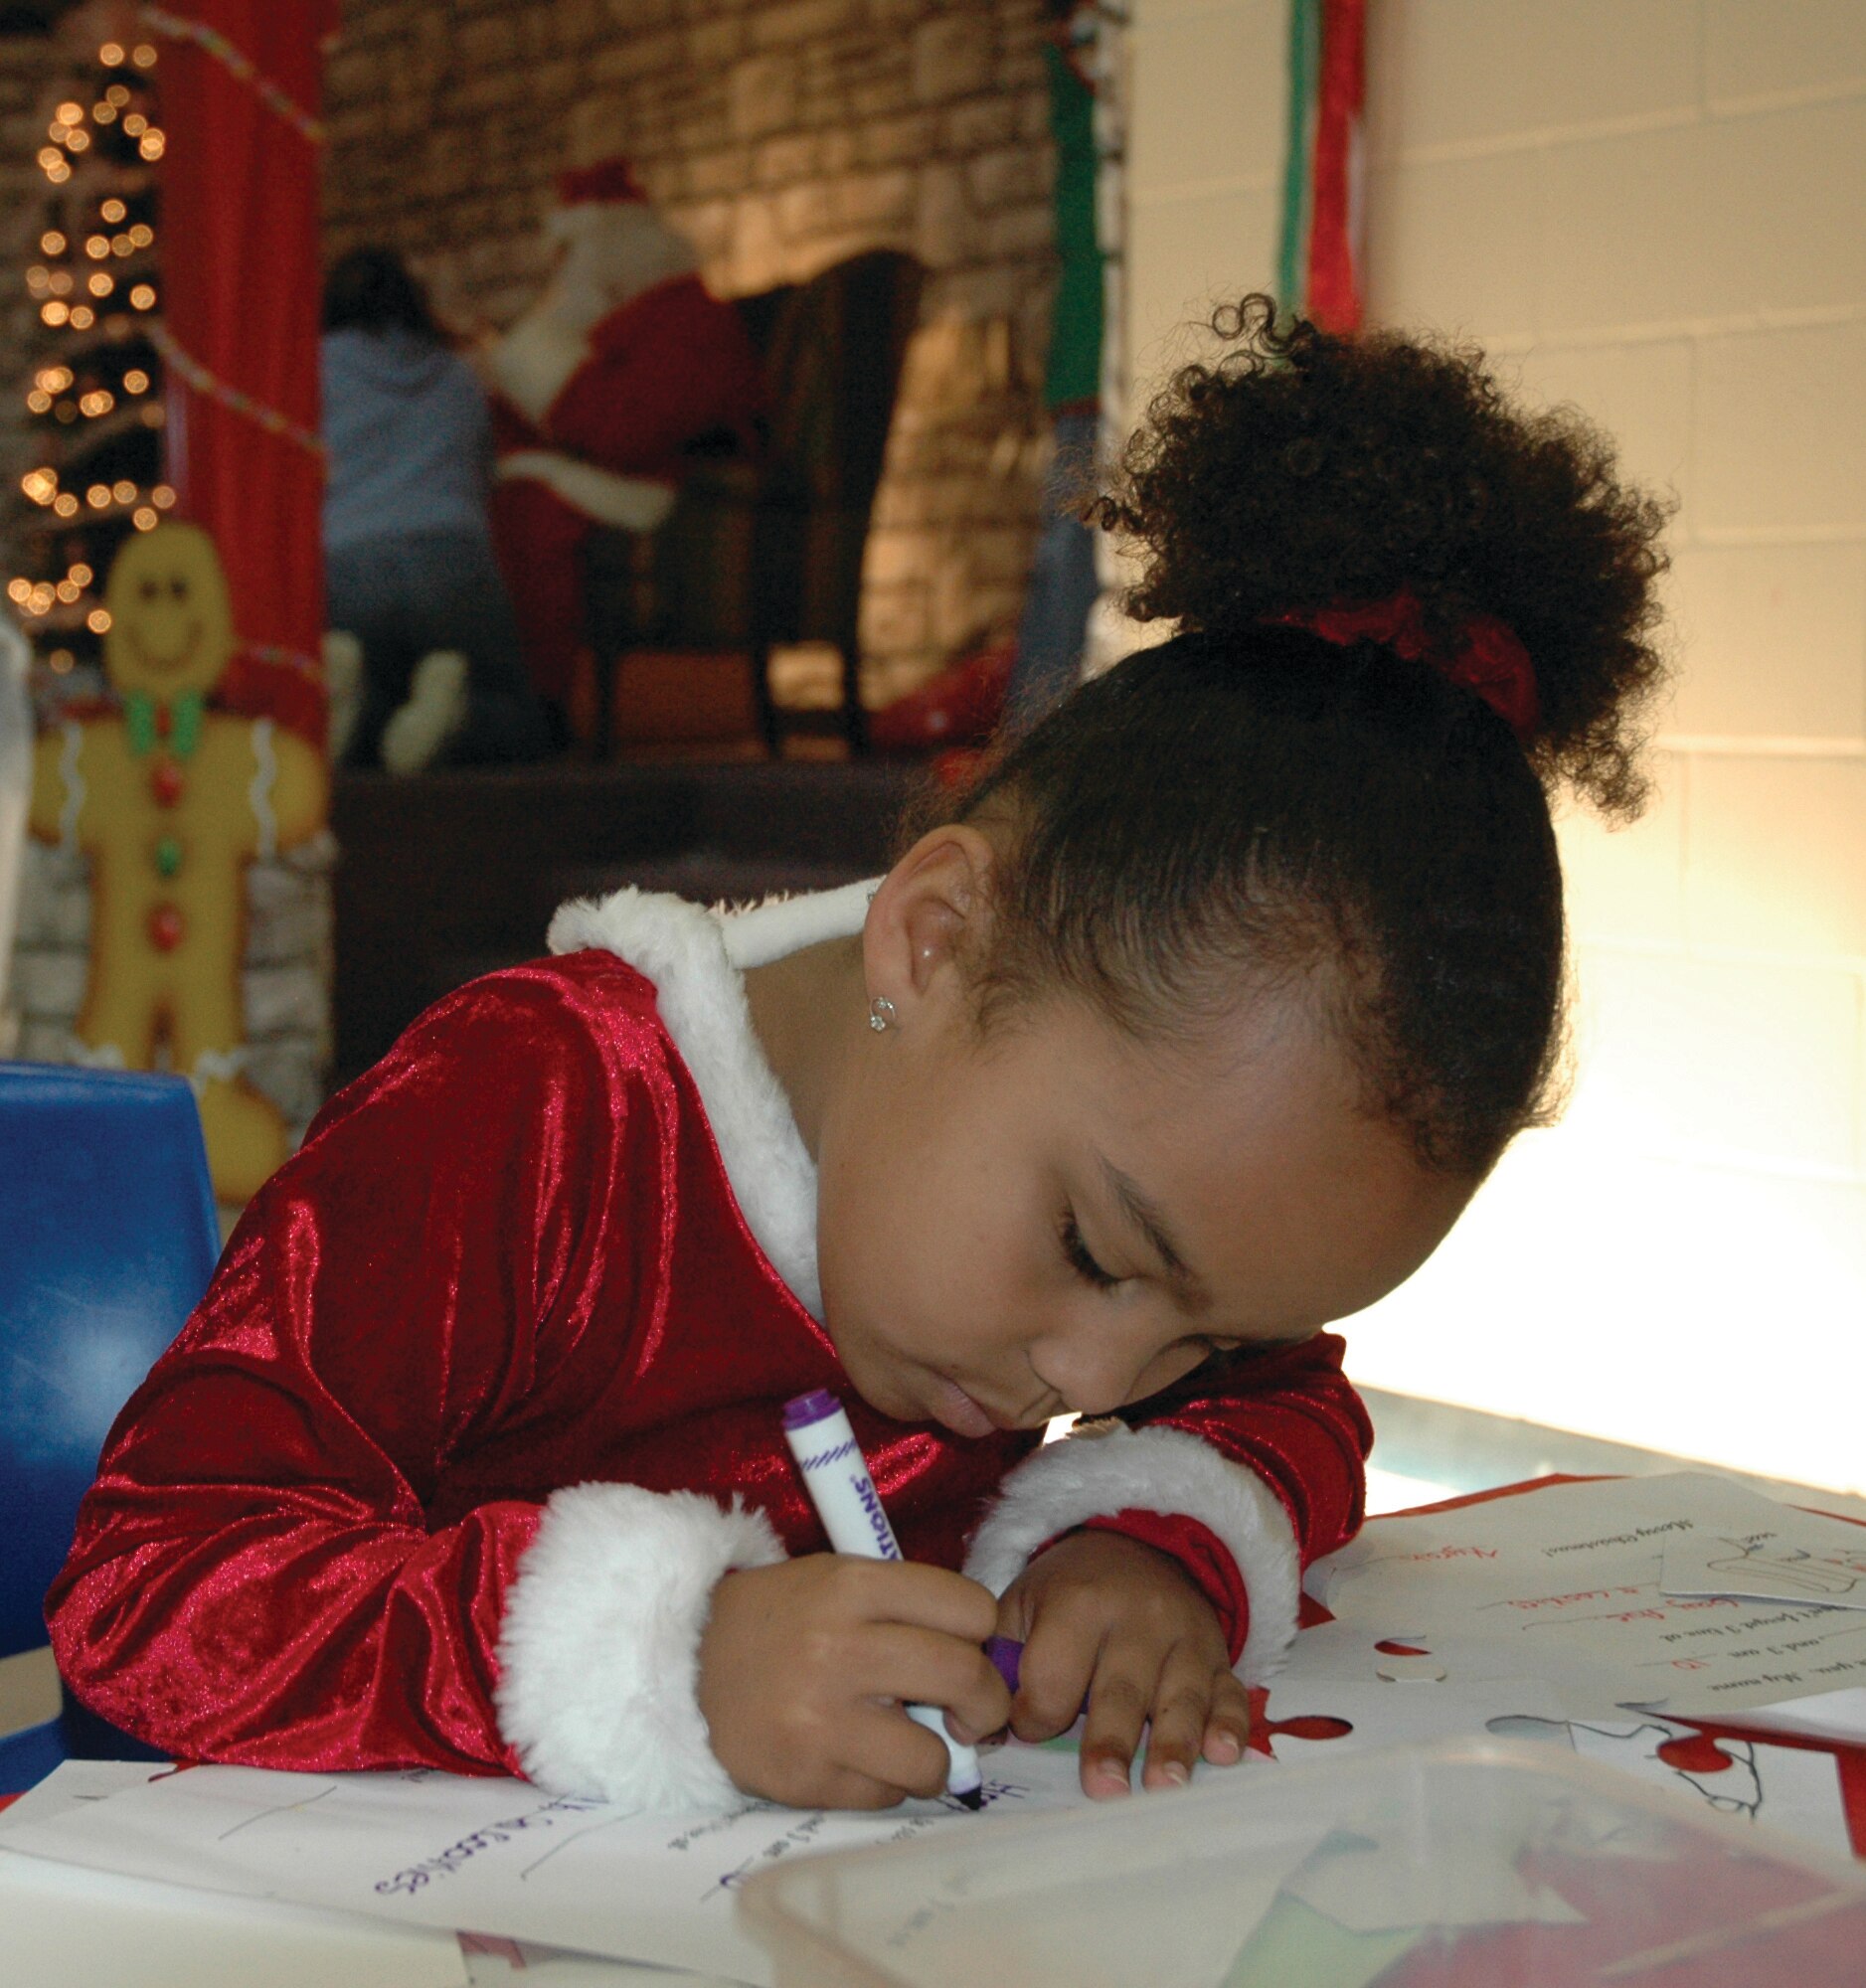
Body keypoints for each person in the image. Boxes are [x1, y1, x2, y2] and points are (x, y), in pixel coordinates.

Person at [48, 297, 1668, 1814]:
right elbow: (152, 1583)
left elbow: (1292, 1406)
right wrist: (666, 1664)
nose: (1098, 1381)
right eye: (1095, 1254)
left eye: (1198, 1334)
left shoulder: (1119, 1202)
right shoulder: (545, 1118)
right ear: (934, 939)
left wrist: (1146, 1537)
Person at [321, 248, 554, 772]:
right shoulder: (458, 374)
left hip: (345, 562)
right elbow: (484, 472)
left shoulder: (311, 371)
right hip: (453, 557)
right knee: (518, 721)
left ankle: (354, 707)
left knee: (372, 686)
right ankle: (458, 711)